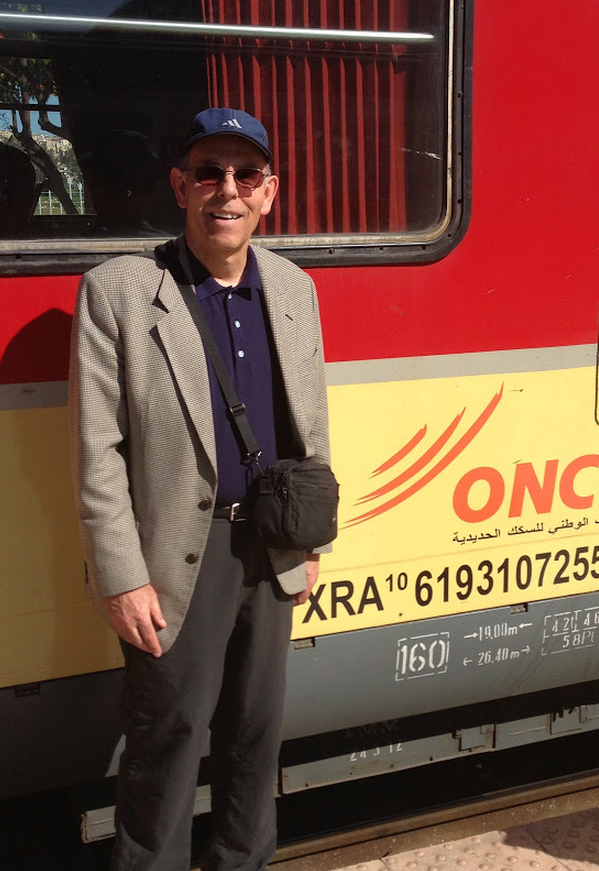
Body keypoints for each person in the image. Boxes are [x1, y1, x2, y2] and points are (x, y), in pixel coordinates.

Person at [68, 107, 332, 871]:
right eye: (209, 173)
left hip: (272, 543)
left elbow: (308, 419)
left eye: (245, 175)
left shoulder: (292, 286)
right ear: (180, 185)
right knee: (169, 734)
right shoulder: (118, 291)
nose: (227, 190)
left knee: (256, 733)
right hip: (178, 553)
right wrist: (121, 574)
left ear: (268, 191)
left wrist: (306, 540)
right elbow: (97, 452)